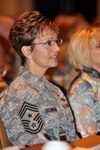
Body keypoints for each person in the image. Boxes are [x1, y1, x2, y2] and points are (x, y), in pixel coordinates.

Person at [0, 11, 76, 147]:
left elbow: (72, 138)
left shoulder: (54, 89)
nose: (57, 48)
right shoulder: (20, 94)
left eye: (56, 41)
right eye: (49, 43)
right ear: (27, 51)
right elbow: (36, 146)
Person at [67, 27, 100, 138]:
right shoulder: (82, 86)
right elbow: (88, 134)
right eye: (99, 46)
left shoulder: (96, 80)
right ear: (84, 52)